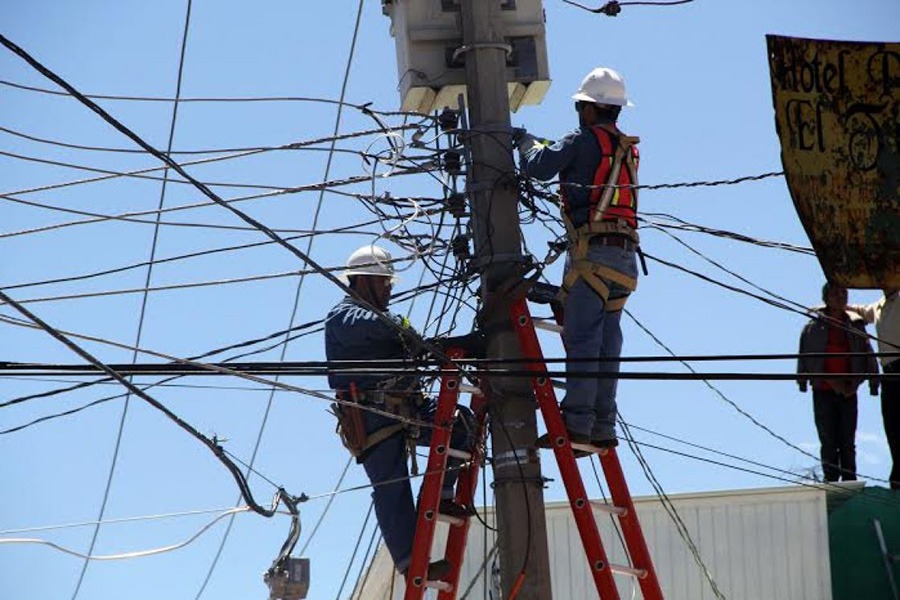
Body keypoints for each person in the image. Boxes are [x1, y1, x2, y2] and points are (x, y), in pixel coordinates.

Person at [324, 244, 475, 580]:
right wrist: (405, 331)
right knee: (392, 484)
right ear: (363, 281)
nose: (390, 289)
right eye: (385, 282)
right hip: (370, 416)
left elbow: (396, 332)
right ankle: (411, 563)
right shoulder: (343, 315)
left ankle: (440, 497)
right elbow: (374, 325)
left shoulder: (383, 319)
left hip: (409, 407)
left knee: (462, 423)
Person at [516, 67, 640, 449]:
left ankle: (577, 424)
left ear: (588, 108)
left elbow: (540, 166)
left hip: (592, 257)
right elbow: (567, 155)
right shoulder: (625, 148)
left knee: (583, 341)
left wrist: (523, 142)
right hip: (625, 262)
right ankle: (603, 426)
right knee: (607, 347)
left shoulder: (581, 139)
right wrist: (542, 144)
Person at [797, 282, 879, 482]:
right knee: (828, 440)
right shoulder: (813, 327)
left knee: (847, 441)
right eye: (835, 294)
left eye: (844, 293)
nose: (841, 297)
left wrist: (865, 383)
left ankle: (850, 480)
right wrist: (806, 380)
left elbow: (868, 355)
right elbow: (807, 357)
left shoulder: (855, 324)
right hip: (823, 390)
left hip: (849, 390)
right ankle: (832, 481)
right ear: (826, 298)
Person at [849, 288, 899, 489]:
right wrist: (829, 307)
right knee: (892, 425)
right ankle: (898, 472)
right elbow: (861, 311)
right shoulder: (880, 305)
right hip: (889, 371)